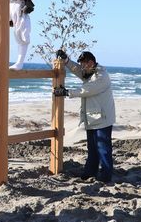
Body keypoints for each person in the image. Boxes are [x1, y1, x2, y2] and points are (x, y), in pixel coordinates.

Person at [54, 50, 116, 183]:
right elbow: (79, 71)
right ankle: (89, 172)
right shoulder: (90, 72)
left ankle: (106, 176)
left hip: (102, 119)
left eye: (83, 64)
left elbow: (87, 90)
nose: (82, 67)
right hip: (93, 117)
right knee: (92, 148)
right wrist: (66, 61)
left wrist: (66, 92)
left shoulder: (101, 76)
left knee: (103, 149)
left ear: (91, 63)